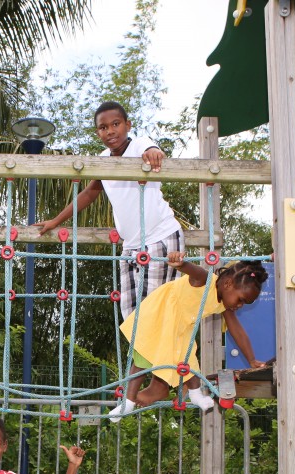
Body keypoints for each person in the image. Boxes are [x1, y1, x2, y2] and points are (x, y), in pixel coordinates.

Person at [35, 101, 184, 320]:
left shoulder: (138, 146)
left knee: (155, 315)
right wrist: (55, 221)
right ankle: (139, 356)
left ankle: (166, 356)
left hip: (160, 237)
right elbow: (88, 194)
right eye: (103, 127)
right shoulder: (104, 161)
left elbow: (151, 149)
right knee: (131, 317)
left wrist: (153, 152)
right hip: (131, 247)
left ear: (128, 125)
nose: (110, 131)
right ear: (98, 132)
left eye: (116, 124)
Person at [112, 251, 268, 420]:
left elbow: (237, 330)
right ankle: (127, 401)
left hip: (181, 325)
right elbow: (194, 271)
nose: (240, 305)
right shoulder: (206, 281)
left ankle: (195, 394)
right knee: (144, 352)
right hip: (162, 313)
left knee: (188, 359)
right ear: (228, 284)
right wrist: (180, 263)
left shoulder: (224, 305)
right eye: (241, 300)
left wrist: (252, 359)